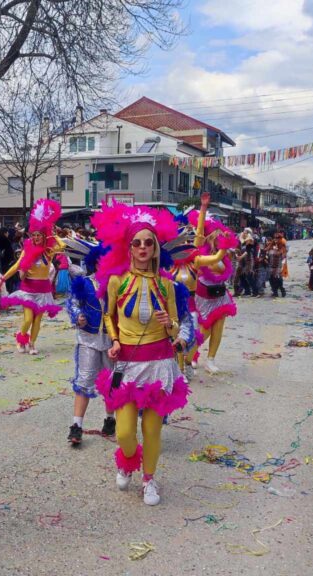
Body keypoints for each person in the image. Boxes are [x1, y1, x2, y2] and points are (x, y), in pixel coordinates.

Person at [91, 202, 189, 506]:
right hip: (129, 365)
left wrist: (169, 324)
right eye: (137, 243)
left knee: (151, 430)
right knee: (123, 433)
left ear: (156, 247)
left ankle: (149, 479)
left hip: (159, 363)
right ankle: (127, 461)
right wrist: (115, 340)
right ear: (129, 248)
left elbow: (177, 330)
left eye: (149, 242)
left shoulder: (166, 284)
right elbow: (109, 316)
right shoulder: (118, 282)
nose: (143, 247)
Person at [62, 240, 115, 445]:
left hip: (113, 340)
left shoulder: (120, 283)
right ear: (96, 261)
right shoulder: (84, 283)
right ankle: (76, 426)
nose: (104, 263)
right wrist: (78, 317)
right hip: (89, 339)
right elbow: (72, 303)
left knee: (111, 382)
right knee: (84, 380)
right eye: (101, 260)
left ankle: (110, 420)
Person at [0, 199, 64, 355]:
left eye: (38, 235)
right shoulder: (27, 251)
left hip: (43, 290)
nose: (35, 238)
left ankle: (32, 344)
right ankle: (21, 338)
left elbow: (61, 246)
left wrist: (52, 233)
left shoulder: (49, 251)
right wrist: (2, 279)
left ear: (44, 235)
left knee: (37, 320)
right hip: (28, 289)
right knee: (28, 319)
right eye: (33, 235)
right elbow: (16, 267)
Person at [185, 193, 239, 374]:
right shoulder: (200, 251)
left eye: (221, 236)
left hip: (220, 293)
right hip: (204, 294)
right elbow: (199, 231)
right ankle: (190, 355)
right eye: (217, 236)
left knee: (219, 325)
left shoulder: (224, 254)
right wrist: (203, 208)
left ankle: (211, 359)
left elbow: (225, 264)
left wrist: (226, 243)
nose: (219, 238)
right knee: (204, 327)